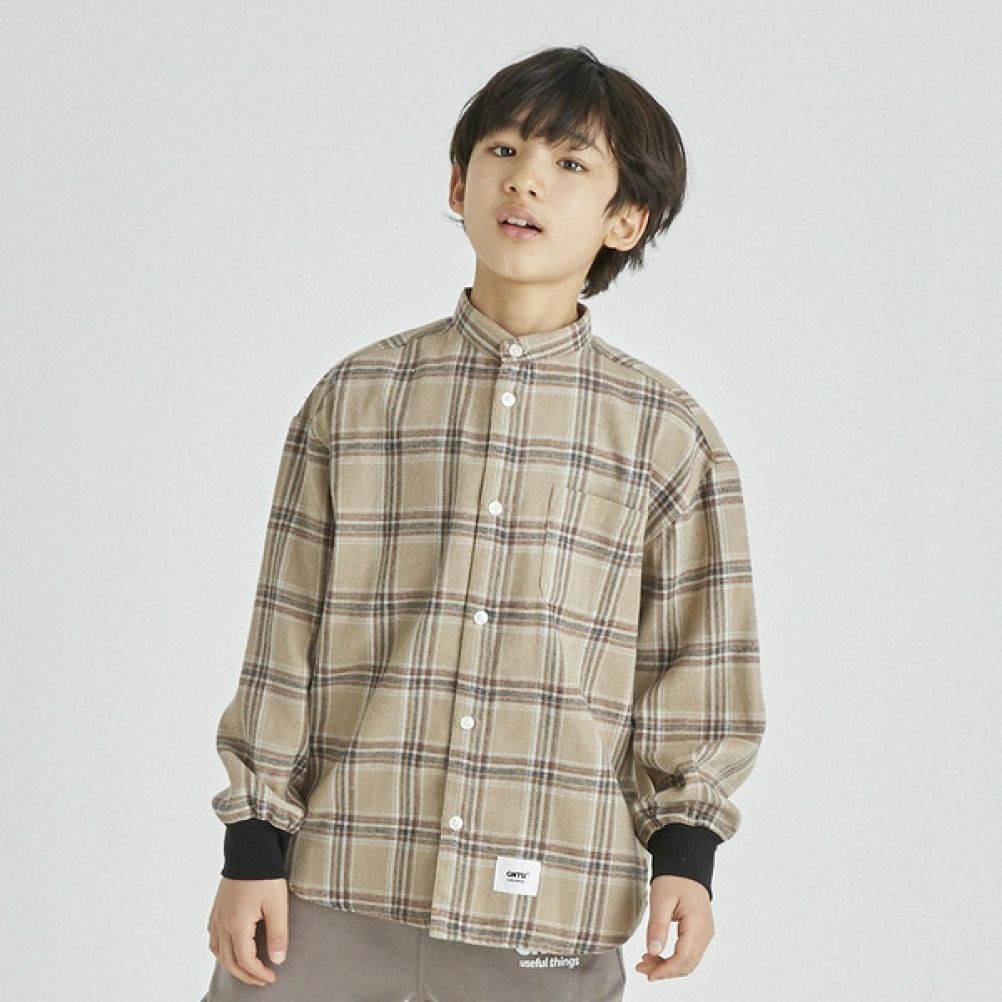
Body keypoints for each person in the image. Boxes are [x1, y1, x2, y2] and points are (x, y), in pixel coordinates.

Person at [202, 44, 766, 1001]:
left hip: (550, 905)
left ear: (626, 219)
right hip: (333, 889)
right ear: (459, 183)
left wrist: (687, 855)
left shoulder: (667, 436)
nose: (526, 180)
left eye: (570, 163)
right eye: (503, 150)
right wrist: (250, 847)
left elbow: (699, 666)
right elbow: (283, 641)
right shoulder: (358, 400)